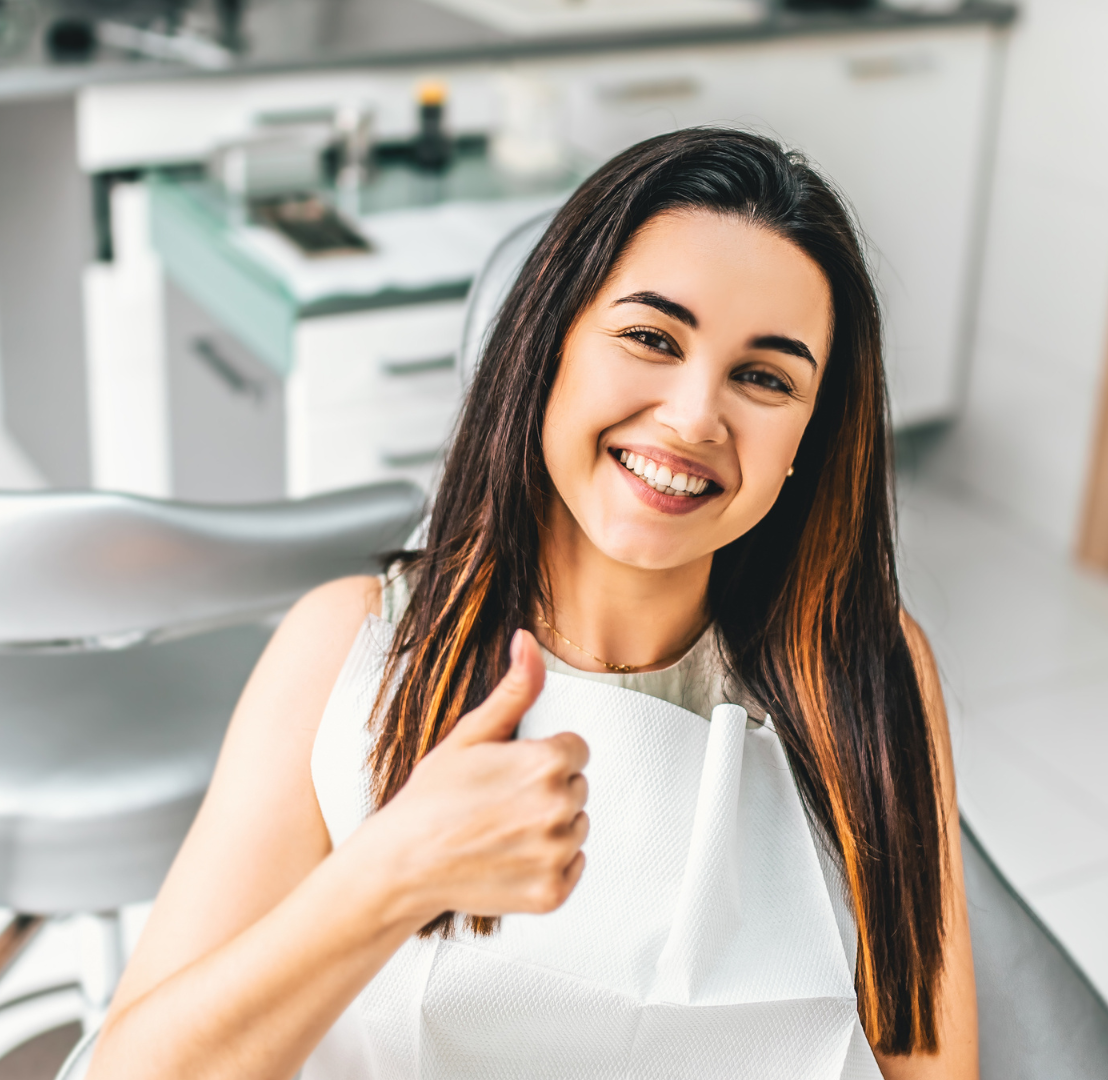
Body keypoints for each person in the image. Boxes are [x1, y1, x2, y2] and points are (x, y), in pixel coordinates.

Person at [89, 128, 977, 1080]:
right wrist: (390, 873)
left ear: (808, 437)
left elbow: (923, 1060)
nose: (693, 417)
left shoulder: (861, 667)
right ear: (546, 346)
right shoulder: (349, 649)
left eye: (764, 377)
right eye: (649, 337)